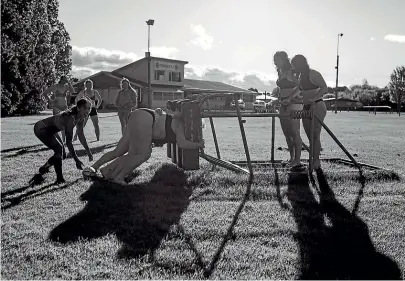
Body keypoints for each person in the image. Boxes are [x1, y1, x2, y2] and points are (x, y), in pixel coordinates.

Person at [83, 102, 205, 184]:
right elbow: (182, 144)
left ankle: (99, 169)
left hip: (140, 115)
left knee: (120, 151)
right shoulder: (180, 125)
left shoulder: (176, 119)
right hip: (146, 119)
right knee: (143, 154)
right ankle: (118, 177)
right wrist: (198, 145)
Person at [30, 98, 93, 185]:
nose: (88, 111)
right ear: (78, 108)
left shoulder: (80, 118)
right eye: (85, 108)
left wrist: (88, 151)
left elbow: (81, 135)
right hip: (41, 129)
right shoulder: (70, 118)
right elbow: (68, 142)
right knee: (59, 150)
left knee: (62, 154)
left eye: (89, 108)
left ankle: (44, 168)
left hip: (51, 131)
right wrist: (76, 160)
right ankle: (59, 179)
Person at [291, 54, 328, 170]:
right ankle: (313, 160)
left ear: (300, 64)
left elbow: (324, 88)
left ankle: (316, 162)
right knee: (310, 136)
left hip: (317, 105)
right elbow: (301, 91)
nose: (293, 68)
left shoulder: (313, 74)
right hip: (306, 107)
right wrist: (293, 98)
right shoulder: (301, 76)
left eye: (294, 65)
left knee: (315, 135)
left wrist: (313, 98)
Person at [274, 51, 304, 170]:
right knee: (287, 133)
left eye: (276, 59)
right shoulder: (279, 71)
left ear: (283, 59)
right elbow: (282, 89)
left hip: (295, 104)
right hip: (283, 104)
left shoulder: (292, 71)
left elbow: (301, 87)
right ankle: (292, 158)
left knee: (295, 132)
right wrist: (278, 100)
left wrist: (290, 98)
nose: (274, 62)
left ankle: (297, 160)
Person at [41, 76, 75, 144]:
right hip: (57, 107)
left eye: (66, 80)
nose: (66, 81)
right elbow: (45, 93)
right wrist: (50, 100)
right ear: (61, 79)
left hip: (64, 107)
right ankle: (54, 139)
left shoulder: (66, 87)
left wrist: (69, 84)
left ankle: (64, 141)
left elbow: (73, 91)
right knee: (56, 124)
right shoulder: (55, 86)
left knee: (65, 124)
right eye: (65, 80)